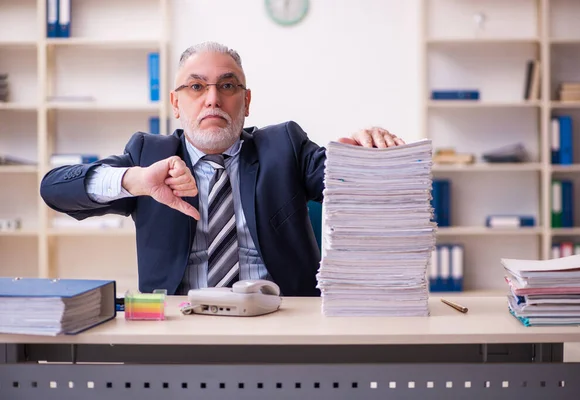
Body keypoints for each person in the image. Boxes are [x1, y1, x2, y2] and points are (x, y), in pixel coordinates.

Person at [40, 42, 406, 296]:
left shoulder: (285, 146)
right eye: (196, 86)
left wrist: (367, 154)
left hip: (282, 322)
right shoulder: (148, 153)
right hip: (180, 328)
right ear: (176, 104)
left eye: (227, 85)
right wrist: (135, 179)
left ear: (246, 102)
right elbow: (54, 189)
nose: (213, 98)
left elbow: (361, 188)